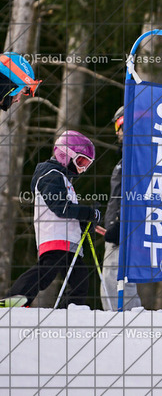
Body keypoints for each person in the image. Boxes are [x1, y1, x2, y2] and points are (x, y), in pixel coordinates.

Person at [1, 131, 101, 308]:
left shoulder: (64, 179)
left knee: (80, 279)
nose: (83, 168)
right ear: (65, 154)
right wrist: (87, 213)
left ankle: (71, 310)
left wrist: (85, 222)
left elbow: (69, 212)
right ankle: (15, 298)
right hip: (55, 236)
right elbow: (61, 207)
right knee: (46, 272)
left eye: (87, 165)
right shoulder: (50, 175)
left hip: (68, 240)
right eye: (81, 161)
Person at [100, 107, 141, 310]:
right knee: (112, 279)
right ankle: (121, 318)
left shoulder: (138, 158)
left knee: (116, 278)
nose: (119, 131)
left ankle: (126, 320)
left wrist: (120, 223)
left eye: (122, 125)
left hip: (125, 229)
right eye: (118, 126)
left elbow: (136, 194)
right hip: (118, 227)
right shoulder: (126, 158)